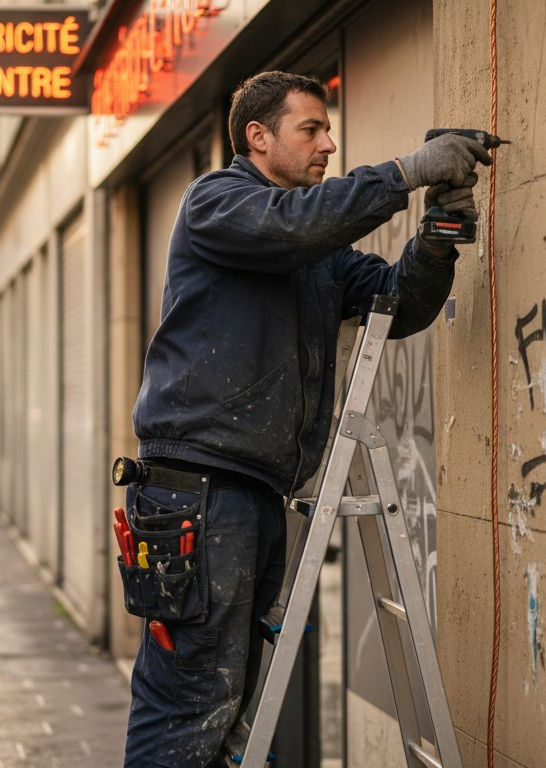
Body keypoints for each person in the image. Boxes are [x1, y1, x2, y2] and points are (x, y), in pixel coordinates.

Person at [121, 71, 489, 766]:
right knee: (189, 703)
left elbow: (395, 302)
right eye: (310, 130)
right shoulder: (217, 203)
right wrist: (409, 172)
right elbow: (289, 228)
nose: (328, 142)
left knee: (227, 704)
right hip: (196, 492)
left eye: (327, 129)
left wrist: (438, 236)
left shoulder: (311, 253)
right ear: (258, 137)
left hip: (248, 494)